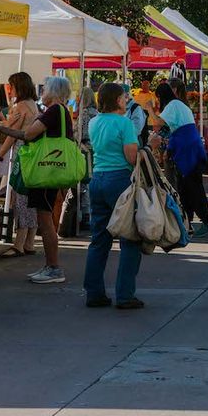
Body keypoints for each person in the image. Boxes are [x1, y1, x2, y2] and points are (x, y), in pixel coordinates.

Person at [0, 76, 76, 285]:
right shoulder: (62, 111)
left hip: (46, 170)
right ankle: (50, 266)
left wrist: (3, 128)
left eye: (45, 89)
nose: (42, 92)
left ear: (54, 91)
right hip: (52, 169)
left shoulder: (55, 110)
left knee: (45, 222)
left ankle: (54, 267)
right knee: (44, 220)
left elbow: (28, 134)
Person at [82, 82, 144, 309]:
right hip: (119, 180)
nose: (126, 99)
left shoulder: (95, 122)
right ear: (118, 100)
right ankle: (125, 294)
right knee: (130, 238)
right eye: (124, 97)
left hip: (97, 178)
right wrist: (150, 148)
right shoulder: (124, 123)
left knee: (99, 239)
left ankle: (94, 292)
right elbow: (131, 157)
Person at [0, 73, 40, 259]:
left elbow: (11, 135)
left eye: (11, 86)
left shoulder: (20, 107)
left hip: (21, 155)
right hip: (33, 155)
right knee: (31, 198)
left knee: (21, 197)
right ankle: (29, 242)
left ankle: (19, 244)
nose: (8, 89)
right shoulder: (34, 105)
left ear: (19, 87)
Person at [159, 96, 208, 239]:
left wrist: (148, 109)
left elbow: (172, 138)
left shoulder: (181, 127)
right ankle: (188, 221)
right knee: (186, 191)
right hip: (192, 160)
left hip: (190, 162)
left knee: (193, 191)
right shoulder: (186, 124)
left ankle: (206, 222)